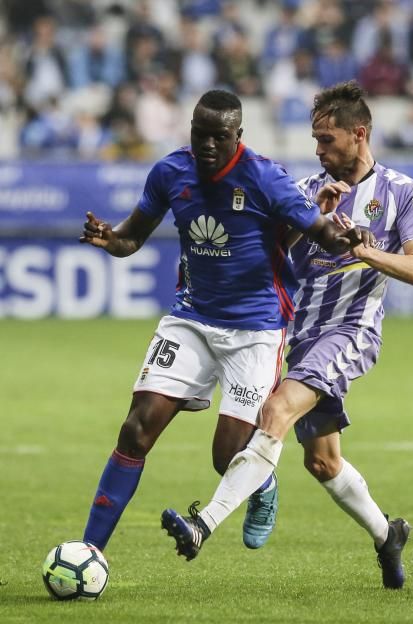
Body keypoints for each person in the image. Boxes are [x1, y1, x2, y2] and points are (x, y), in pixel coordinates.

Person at [161, 80, 413, 590]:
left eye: (327, 140)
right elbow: (275, 257)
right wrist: (317, 222)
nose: (318, 150)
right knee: (322, 461)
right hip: (300, 333)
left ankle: (203, 526)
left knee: (276, 412)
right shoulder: (308, 191)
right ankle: (387, 534)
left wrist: (364, 251)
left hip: (350, 331)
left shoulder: (401, 192)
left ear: (359, 133)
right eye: (315, 139)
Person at [79, 88, 365, 553]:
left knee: (228, 457)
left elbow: (321, 231)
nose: (207, 146)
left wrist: (350, 236)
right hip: (191, 317)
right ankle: (88, 552)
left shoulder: (266, 178)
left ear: (238, 136)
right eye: (199, 134)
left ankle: (263, 485)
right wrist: (109, 239)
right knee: (135, 429)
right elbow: (131, 238)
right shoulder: (171, 171)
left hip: (255, 328)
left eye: (218, 137)